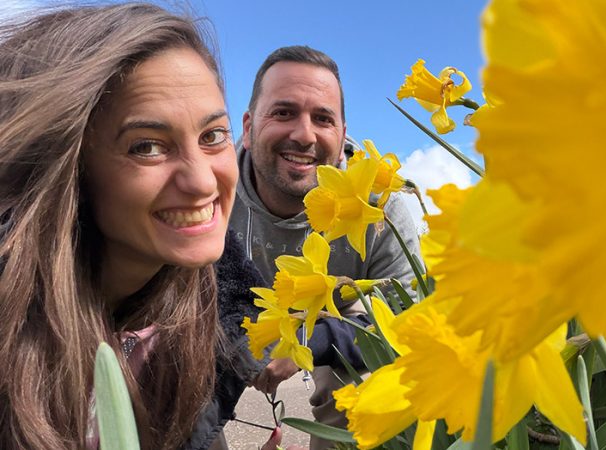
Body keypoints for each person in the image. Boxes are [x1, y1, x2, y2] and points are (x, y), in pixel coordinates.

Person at [0, 4, 267, 449]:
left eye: (212, 136)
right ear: (67, 167)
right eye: (147, 147)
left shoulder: (214, 317)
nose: (203, 182)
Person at [231, 45, 421, 450]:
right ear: (247, 127)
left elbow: (408, 315)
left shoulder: (379, 206)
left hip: (335, 313)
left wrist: (308, 341)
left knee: (369, 376)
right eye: (283, 112)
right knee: (168, 371)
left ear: (343, 133)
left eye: (323, 118)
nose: (304, 135)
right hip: (228, 310)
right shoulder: (210, 188)